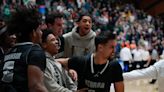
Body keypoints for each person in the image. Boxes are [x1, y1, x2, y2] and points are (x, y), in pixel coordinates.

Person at [0, 7, 48, 92]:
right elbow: (36, 87)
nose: (41, 33)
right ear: (33, 33)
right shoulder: (34, 51)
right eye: (39, 29)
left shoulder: (7, 54)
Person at [58, 31, 124, 92]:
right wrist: (68, 70)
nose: (114, 51)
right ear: (100, 47)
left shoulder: (115, 66)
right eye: (111, 47)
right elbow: (55, 61)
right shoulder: (81, 61)